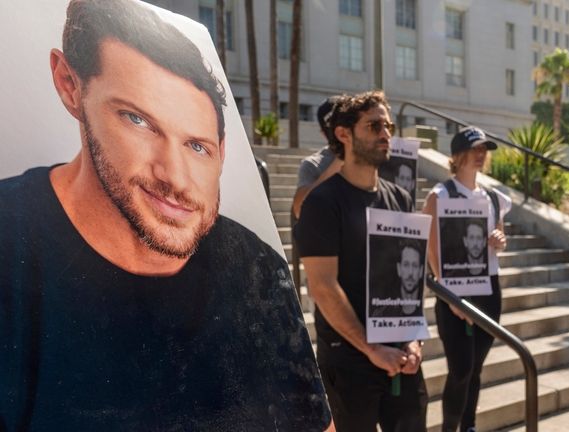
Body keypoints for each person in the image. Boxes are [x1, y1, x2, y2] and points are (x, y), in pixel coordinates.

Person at [0, 1, 330, 430]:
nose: (175, 178)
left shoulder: (254, 266)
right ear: (69, 85)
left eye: (197, 146)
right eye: (137, 120)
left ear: (222, 151)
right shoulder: (12, 244)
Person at [294, 90, 428, 432]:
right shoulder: (322, 202)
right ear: (344, 134)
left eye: (389, 126)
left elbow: (406, 281)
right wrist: (371, 349)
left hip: (401, 355)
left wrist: (413, 338)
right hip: (350, 359)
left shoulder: (399, 197)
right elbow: (322, 287)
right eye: (374, 126)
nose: (386, 134)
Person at [422, 125, 512, 432]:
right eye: (475, 149)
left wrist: (499, 240)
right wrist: (449, 296)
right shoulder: (439, 195)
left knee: (475, 369)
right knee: (460, 369)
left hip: (488, 288)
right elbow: (430, 249)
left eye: (484, 150)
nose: (481, 155)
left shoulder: (493, 198)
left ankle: (468, 426)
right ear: (457, 154)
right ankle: (450, 428)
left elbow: (499, 238)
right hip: (453, 293)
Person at [291, 95, 346, 219]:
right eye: (334, 129)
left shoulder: (369, 155)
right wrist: (340, 159)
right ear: (323, 133)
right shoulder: (312, 165)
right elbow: (299, 209)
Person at [370, 240, 425, 317]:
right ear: (399, 269)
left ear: (421, 270)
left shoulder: (424, 314)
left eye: (415, 265)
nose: (410, 273)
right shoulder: (383, 314)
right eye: (406, 265)